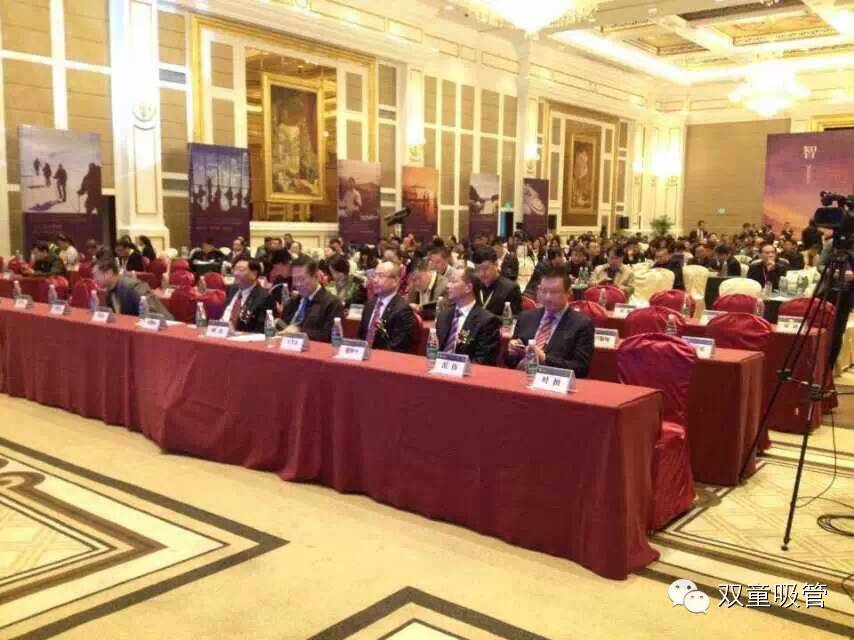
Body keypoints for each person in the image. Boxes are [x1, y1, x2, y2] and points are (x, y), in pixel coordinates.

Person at [504, 265, 594, 377]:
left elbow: (581, 369)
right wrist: (512, 352)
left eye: (554, 292)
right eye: (543, 291)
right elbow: (509, 361)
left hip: (554, 383)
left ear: (568, 293)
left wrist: (545, 359)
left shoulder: (582, 325)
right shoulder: (526, 317)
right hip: (522, 378)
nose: (547, 297)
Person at [435, 266, 501, 366]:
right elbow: (435, 350)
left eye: (453, 281)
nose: (448, 285)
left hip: (469, 372)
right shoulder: (444, 316)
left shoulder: (486, 321)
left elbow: (483, 360)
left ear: (468, 288)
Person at [279, 256, 344, 342]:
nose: (298, 284)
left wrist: (299, 331)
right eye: (295, 279)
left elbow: (330, 336)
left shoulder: (332, 303)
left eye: (301, 279)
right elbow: (284, 326)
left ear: (316, 276)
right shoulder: (293, 301)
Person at [358, 261, 415, 353]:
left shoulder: (402, 310)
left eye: (380, 276)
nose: (375, 280)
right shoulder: (370, 304)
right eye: (374, 276)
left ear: (396, 281)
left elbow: (396, 346)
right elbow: (360, 337)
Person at [93, 258, 173, 319]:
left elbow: (154, 314)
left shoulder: (133, 287)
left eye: (96, 275)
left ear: (109, 273)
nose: (94, 279)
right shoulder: (109, 291)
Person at [221, 259, 274, 333]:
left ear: (254, 274)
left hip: (242, 336)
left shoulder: (264, 298)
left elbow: (263, 329)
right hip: (219, 331)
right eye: (234, 269)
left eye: (241, 270)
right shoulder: (231, 289)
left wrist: (237, 333)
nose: (235, 273)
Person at [472, 247, 522, 316]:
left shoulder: (510, 289)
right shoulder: (475, 285)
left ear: (496, 264)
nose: (481, 274)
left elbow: (513, 319)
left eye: (485, 268)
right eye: (477, 269)